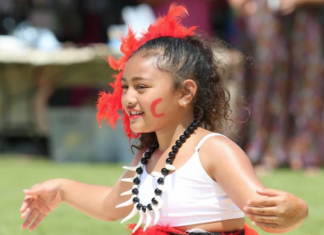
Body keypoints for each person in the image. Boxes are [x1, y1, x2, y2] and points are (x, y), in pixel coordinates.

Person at [20, 4, 308, 235]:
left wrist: (295, 210)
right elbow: (111, 205)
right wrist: (62, 189)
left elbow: (268, 211)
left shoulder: (213, 151)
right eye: (125, 88)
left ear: (185, 93)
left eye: (141, 87)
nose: (128, 99)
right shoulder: (147, 157)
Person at [228, 0, 324, 173]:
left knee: (309, 84)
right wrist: (243, 5)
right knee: (264, 83)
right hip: (263, 13)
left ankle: (304, 153)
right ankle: (262, 152)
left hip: (307, 17)